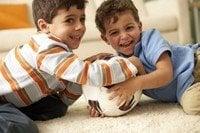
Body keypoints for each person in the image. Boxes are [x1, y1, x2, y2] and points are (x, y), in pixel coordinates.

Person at [0, 0, 139, 132]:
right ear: (44, 26)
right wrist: (129, 64)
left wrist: (97, 99)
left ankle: (15, 112)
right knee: (21, 128)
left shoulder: (60, 52)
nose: (80, 26)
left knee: (57, 108)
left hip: (14, 99)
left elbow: (67, 96)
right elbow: (91, 75)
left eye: (82, 19)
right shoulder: (47, 49)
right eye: (69, 20)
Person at [95, 0, 200, 115]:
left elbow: (166, 73)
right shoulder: (119, 63)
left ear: (139, 27)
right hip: (186, 87)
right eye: (114, 32)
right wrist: (102, 106)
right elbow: (120, 92)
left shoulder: (150, 39)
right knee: (193, 105)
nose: (124, 36)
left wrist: (135, 83)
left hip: (194, 64)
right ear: (105, 39)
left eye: (129, 28)